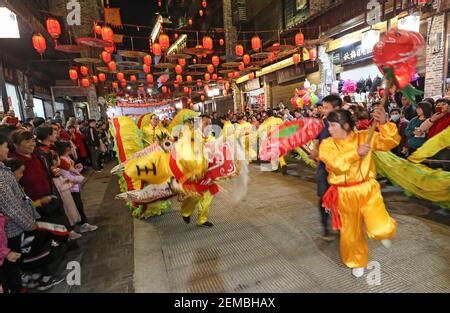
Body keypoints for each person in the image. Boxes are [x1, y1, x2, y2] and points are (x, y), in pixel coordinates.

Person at [318, 108, 400, 277]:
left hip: (368, 189)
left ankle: (383, 232)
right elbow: (335, 164)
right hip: (345, 194)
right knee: (350, 231)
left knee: (380, 227)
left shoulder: (365, 136)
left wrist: (384, 123)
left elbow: (389, 142)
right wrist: (356, 153)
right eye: (329, 125)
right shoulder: (327, 144)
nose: (330, 129)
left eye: (333, 125)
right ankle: (357, 261)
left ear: (346, 125)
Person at [309, 94, 342, 241]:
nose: (324, 110)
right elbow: (316, 145)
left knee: (341, 199)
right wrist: (314, 152)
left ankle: (342, 227)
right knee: (323, 198)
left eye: (327, 108)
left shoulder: (345, 125)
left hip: (340, 170)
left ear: (337, 108)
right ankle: (326, 228)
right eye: (323, 107)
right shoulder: (322, 125)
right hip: (323, 169)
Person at [55, 141, 98, 234]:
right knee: (77, 206)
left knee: (78, 205)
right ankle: (82, 224)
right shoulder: (62, 160)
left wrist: (78, 169)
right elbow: (67, 175)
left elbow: (71, 171)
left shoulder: (66, 158)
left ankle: (82, 223)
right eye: (71, 146)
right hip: (71, 187)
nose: (73, 148)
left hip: (74, 185)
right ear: (67, 148)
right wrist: (80, 178)